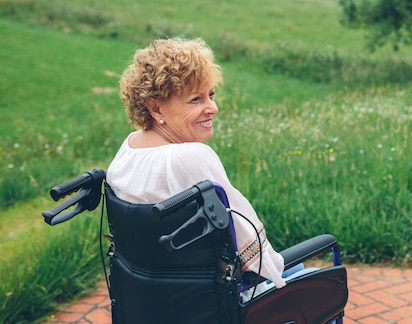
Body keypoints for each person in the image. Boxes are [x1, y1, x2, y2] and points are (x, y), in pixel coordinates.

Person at [106, 37, 294, 295]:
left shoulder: (127, 152)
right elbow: (256, 256)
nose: (213, 108)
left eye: (211, 95)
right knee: (312, 273)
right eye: (196, 99)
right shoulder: (190, 157)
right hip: (220, 301)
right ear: (155, 107)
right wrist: (279, 269)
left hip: (157, 299)